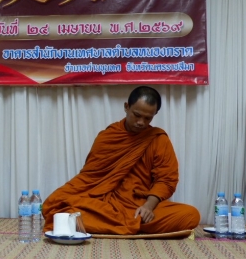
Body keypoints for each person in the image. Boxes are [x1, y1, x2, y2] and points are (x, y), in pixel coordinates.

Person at [42, 86, 200, 235]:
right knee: (53, 204)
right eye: (137, 115)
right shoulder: (108, 137)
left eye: (147, 118)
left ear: (154, 115)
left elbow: (166, 180)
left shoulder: (158, 139)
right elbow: (90, 177)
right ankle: (132, 225)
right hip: (106, 203)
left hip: (140, 204)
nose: (141, 122)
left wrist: (148, 207)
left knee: (190, 215)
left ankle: (107, 224)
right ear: (126, 107)